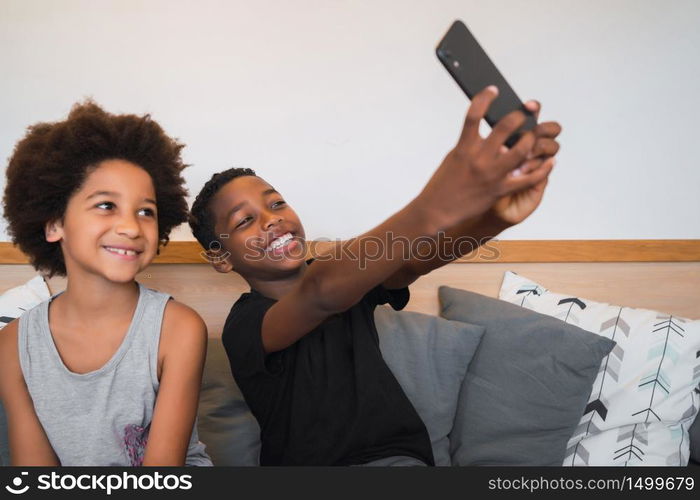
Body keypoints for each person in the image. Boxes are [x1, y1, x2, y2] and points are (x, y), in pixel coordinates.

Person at [188, 86, 561, 465]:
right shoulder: (245, 325)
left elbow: (417, 260)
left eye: (276, 202)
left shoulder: (345, 275)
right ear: (220, 258)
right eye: (246, 220)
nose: (272, 219)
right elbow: (319, 295)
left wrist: (495, 217)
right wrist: (438, 203)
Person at [0, 101, 212, 466]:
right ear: (54, 225)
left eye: (145, 211)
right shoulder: (12, 345)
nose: (131, 227)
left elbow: (162, 476)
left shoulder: (179, 328)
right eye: (106, 205)